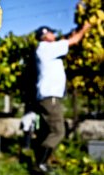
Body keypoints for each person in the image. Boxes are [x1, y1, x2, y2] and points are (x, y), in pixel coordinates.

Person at [33, 22, 90, 173]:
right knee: (58, 131)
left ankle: (43, 162)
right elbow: (73, 41)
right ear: (45, 36)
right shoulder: (47, 48)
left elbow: (66, 40)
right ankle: (40, 164)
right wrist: (85, 28)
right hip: (50, 96)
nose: (54, 34)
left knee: (47, 131)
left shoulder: (46, 49)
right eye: (52, 32)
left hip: (47, 96)